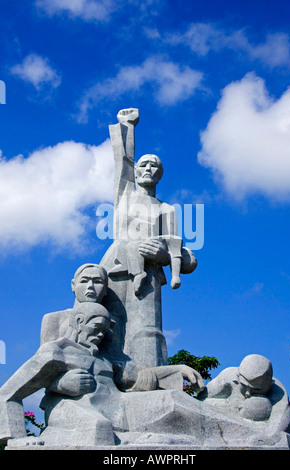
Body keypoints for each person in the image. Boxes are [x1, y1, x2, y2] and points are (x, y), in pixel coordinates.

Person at [0, 302, 204, 448]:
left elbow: (140, 375)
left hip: (119, 408)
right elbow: (9, 393)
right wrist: (16, 437)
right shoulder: (56, 351)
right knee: (100, 428)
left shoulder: (104, 357)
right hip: (73, 411)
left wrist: (178, 369)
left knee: (172, 400)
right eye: (96, 328)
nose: (100, 335)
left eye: (104, 331)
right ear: (79, 322)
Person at [100, 108, 197, 369]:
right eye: (144, 164)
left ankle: (148, 379)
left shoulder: (167, 209)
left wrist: (163, 256)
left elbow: (176, 247)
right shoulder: (125, 195)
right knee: (108, 325)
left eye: (154, 166)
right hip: (115, 269)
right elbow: (123, 162)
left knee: (146, 331)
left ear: (160, 174)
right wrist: (127, 127)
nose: (148, 168)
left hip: (148, 277)